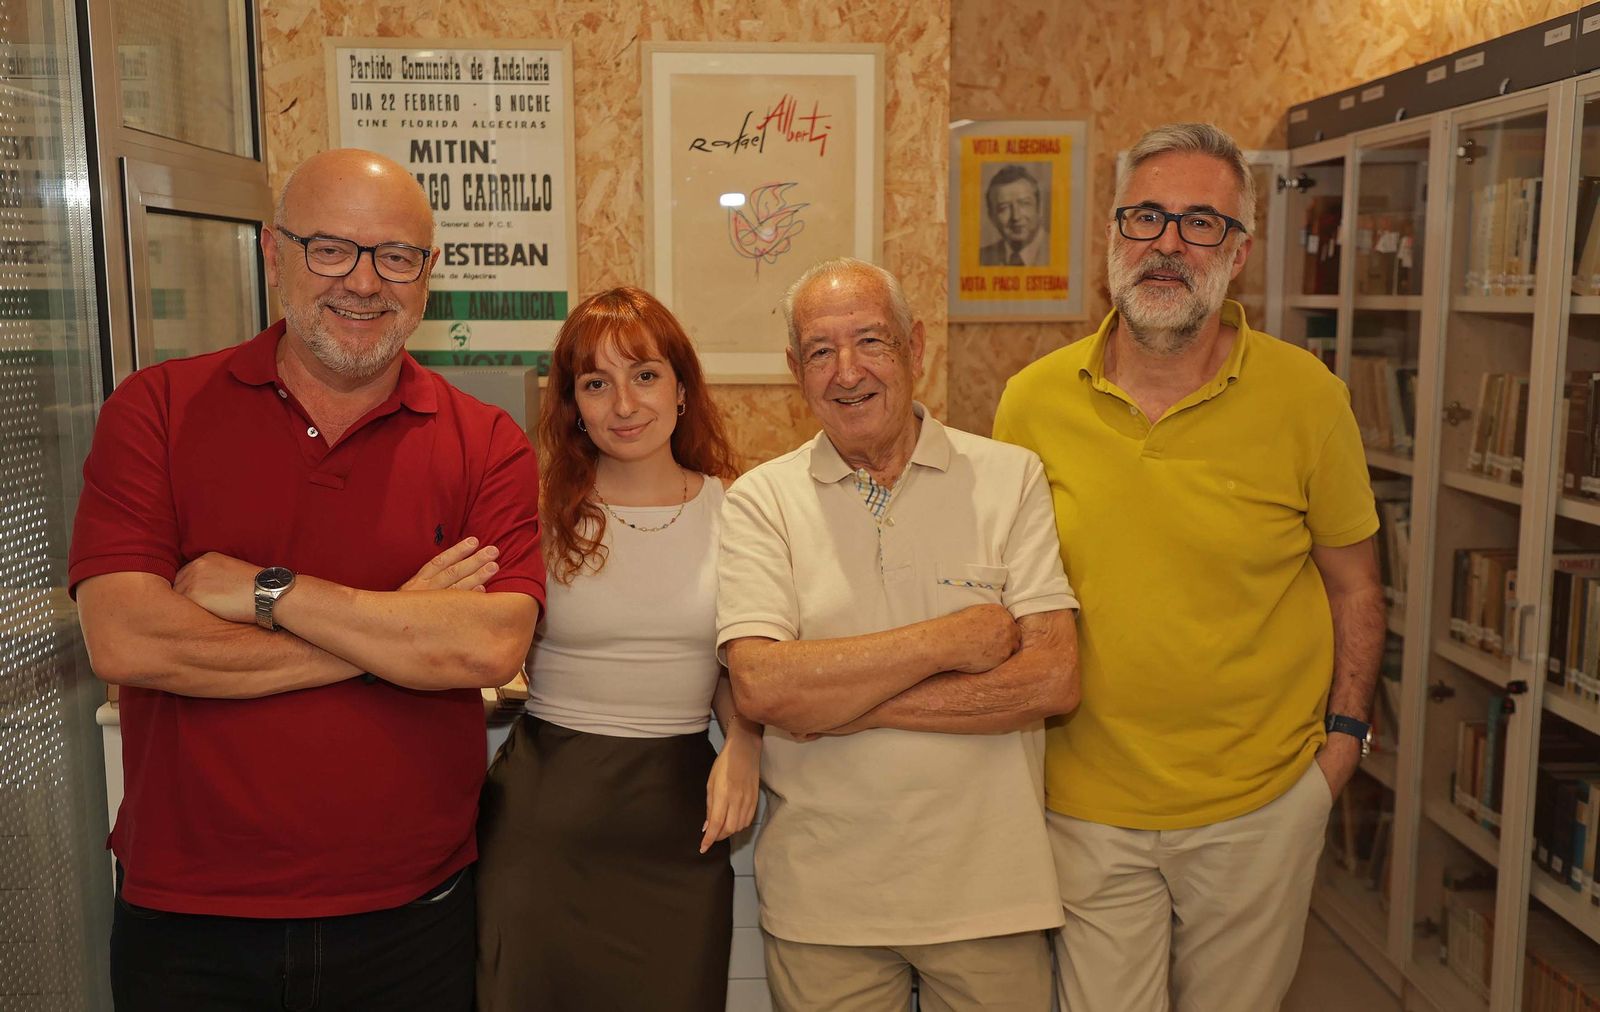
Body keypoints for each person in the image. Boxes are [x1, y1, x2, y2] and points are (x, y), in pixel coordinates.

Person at [68, 148, 545, 1010]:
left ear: (427, 274)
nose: (364, 282)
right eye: (331, 248)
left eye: (396, 256)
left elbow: (490, 642)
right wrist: (400, 629)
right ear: (272, 253)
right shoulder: (157, 410)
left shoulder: (486, 442)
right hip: (190, 920)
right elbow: (128, 638)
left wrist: (270, 594)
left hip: (413, 916)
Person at [992, 122, 1385, 1012]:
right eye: (1146, 218)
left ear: (1238, 252)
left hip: (1261, 804)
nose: (1168, 244)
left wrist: (1342, 748)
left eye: (1201, 223)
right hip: (1084, 805)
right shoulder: (1032, 400)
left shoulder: (1308, 398)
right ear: (1112, 239)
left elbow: (1355, 585)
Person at [717, 257, 1079, 1011]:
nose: (847, 372)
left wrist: (846, 705)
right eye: (820, 351)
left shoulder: (1010, 478)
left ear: (917, 348)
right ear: (796, 369)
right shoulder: (761, 501)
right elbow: (762, 685)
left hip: (992, 898)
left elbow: (1051, 681)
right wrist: (954, 639)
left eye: (870, 342)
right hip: (823, 905)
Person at [475, 287, 762, 1011]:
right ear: (572, 405)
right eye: (595, 384)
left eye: (645, 375)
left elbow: (740, 670)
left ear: (683, 389)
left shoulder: (739, 511)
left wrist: (747, 743)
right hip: (546, 817)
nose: (624, 404)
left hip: (677, 819)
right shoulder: (538, 517)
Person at [978, 164, 1050, 267]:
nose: (1016, 217)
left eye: (1024, 203)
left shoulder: (1062, 252)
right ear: (991, 217)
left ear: (1040, 208)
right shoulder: (982, 259)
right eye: (1004, 208)